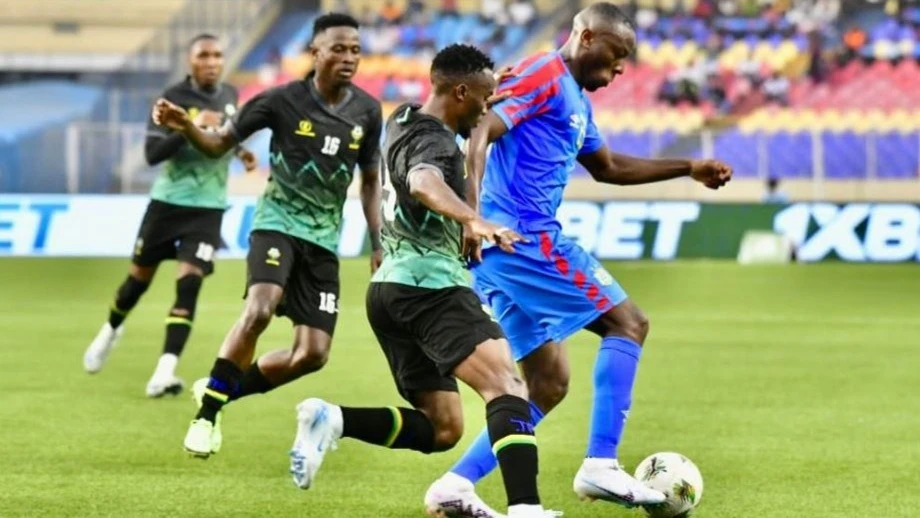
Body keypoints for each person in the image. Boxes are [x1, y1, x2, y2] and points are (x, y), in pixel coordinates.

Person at [425, 3, 733, 515]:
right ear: (587, 37)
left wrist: (688, 166)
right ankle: (600, 465)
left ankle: (455, 485)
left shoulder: (575, 100)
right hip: (522, 239)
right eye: (616, 56)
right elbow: (481, 129)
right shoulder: (542, 72)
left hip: (506, 251)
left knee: (547, 383)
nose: (619, 70)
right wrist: (472, 217)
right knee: (629, 323)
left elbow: (607, 167)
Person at [287, 44, 556, 518]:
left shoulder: (404, 118)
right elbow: (423, 182)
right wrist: (472, 220)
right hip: (430, 288)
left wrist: (486, 90)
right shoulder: (433, 143)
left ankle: (334, 420)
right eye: (483, 98)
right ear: (459, 91)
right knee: (508, 387)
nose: (487, 108)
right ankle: (526, 509)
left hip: (388, 293)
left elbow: (456, 160)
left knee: (442, 427)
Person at [151, 13, 384, 458]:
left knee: (312, 354)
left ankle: (219, 392)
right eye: (338, 48)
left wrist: (377, 241)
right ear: (315, 52)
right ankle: (206, 419)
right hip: (276, 223)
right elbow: (219, 144)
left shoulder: (367, 111)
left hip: (323, 240)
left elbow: (371, 181)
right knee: (260, 308)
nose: (349, 57)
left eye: (355, 49)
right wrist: (185, 125)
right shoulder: (279, 100)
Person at [82, 34, 257, 398]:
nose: (212, 61)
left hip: (208, 206)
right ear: (190, 61)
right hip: (168, 203)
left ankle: (164, 371)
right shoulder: (171, 98)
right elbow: (151, 154)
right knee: (137, 283)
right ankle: (111, 329)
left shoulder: (230, 96)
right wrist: (188, 126)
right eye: (203, 55)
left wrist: (240, 153)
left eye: (217, 55)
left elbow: (226, 134)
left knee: (190, 283)